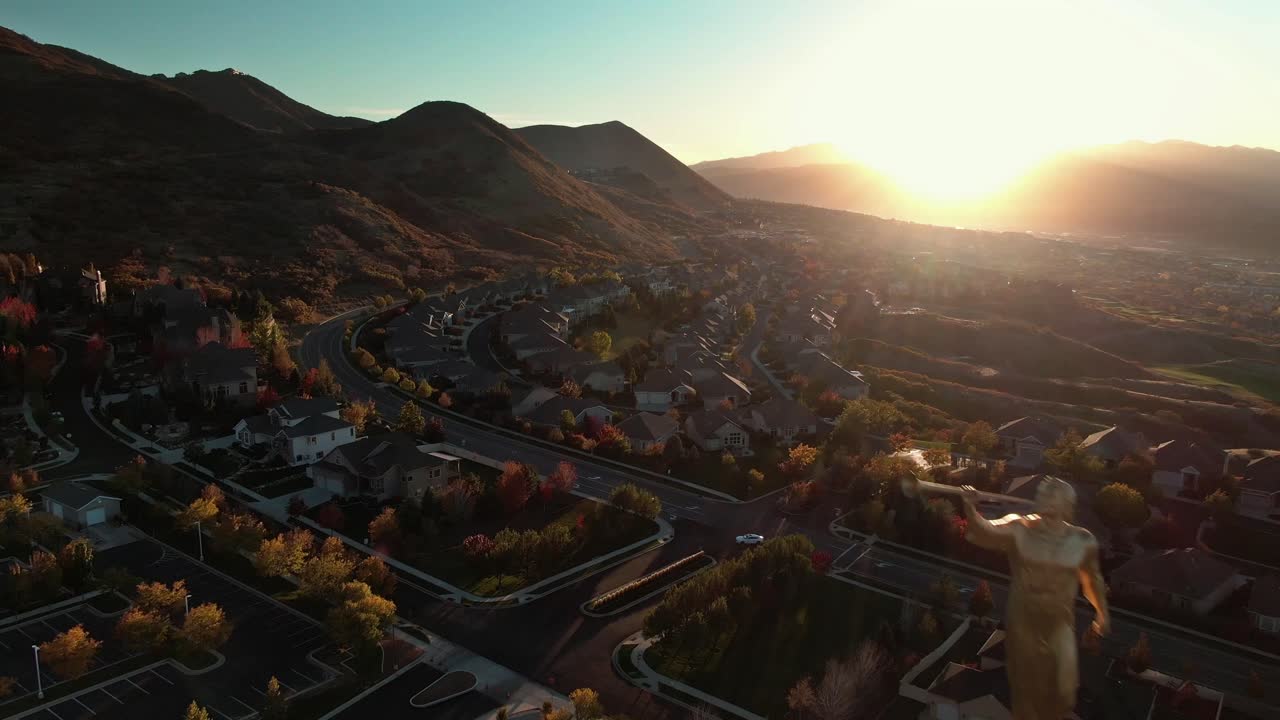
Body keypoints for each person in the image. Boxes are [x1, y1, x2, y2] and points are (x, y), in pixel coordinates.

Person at [961, 479, 1108, 720]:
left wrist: (1102, 613)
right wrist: (970, 508)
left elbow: (1093, 580)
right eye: (1041, 495)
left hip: (1059, 621)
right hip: (1024, 620)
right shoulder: (1019, 527)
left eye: (1048, 496)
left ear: (1064, 504)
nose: (1041, 500)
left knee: (1064, 689)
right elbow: (986, 529)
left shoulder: (1082, 540)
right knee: (1026, 690)